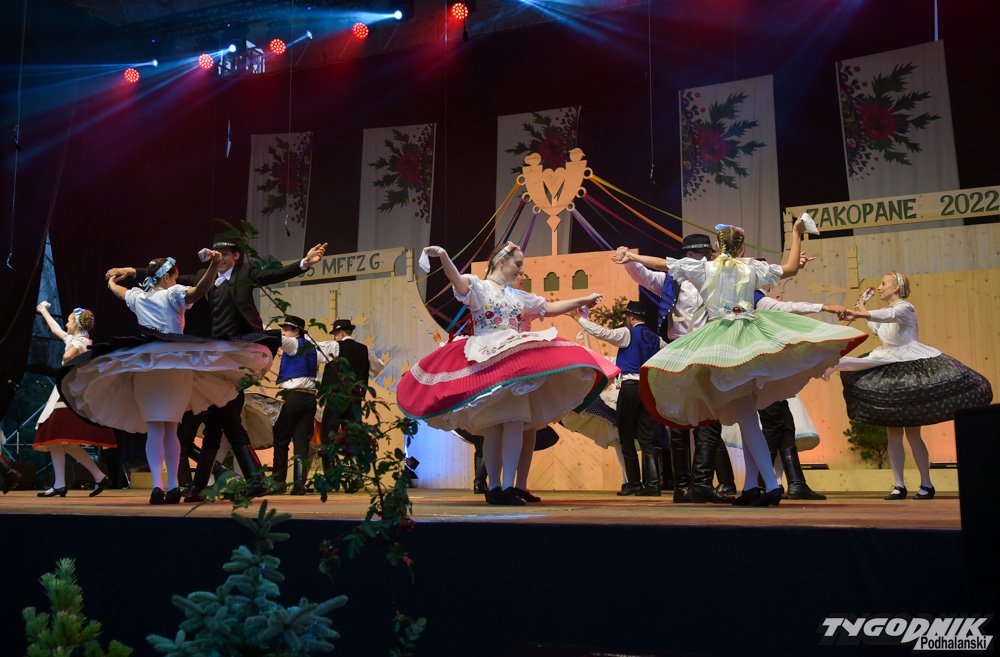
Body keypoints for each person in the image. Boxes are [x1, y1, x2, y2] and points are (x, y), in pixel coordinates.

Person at [614, 220, 867, 507]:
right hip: (750, 340)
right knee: (747, 418)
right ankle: (751, 487)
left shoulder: (706, 269)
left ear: (717, 247)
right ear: (742, 248)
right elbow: (791, 268)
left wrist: (631, 256)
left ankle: (769, 485)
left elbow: (663, 264)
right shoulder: (751, 267)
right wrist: (796, 234)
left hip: (723, 345)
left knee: (746, 417)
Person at [105, 236, 328, 502]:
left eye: (225, 254)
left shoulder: (245, 273)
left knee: (223, 418)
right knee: (218, 420)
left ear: (236, 256)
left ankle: (236, 481)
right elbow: (166, 277)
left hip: (237, 352)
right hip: (217, 356)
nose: (219, 258)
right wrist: (132, 271)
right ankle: (212, 485)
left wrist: (304, 263)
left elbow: (272, 275)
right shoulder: (203, 275)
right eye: (217, 254)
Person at [397, 241, 617, 505]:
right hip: (487, 359)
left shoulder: (518, 296)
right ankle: (496, 487)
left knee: (514, 421)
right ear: (502, 261)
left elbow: (548, 307)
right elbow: (458, 282)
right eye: (518, 264)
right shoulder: (479, 288)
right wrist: (444, 256)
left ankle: (509, 486)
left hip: (513, 361)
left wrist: (583, 299)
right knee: (494, 426)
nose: (521, 270)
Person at [66, 251, 272, 504]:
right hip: (175, 364)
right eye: (174, 276)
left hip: (146, 366)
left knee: (155, 430)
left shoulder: (138, 297)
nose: (176, 280)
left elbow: (119, 291)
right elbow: (200, 290)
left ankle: (157, 486)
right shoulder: (173, 295)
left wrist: (111, 281)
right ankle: (173, 486)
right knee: (171, 429)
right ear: (166, 278)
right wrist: (213, 265)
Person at [835, 272, 992, 500]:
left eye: (883, 284)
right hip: (890, 365)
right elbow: (879, 328)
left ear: (895, 288)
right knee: (892, 432)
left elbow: (890, 316)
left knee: (913, 433)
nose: (880, 287)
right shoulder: (887, 311)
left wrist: (860, 312)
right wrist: (863, 311)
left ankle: (926, 483)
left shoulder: (905, 308)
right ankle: (899, 485)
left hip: (909, 369)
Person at [620, 233, 733, 503]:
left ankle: (700, 483)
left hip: (705, 349)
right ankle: (683, 487)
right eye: (697, 254)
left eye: (704, 254)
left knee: (708, 418)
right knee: (679, 418)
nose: (700, 259)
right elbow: (644, 276)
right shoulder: (672, 280)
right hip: (678, 349)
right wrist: (628, 258)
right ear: (688, 255)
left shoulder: (714, 278)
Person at [752, 286, 849, 500]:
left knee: (785, 425)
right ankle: (761, 484)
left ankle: (795, 482)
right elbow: (789, 308)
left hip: (767, 371)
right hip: (765, 372)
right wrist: (825, 306)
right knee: (773, 427)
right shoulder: (756, 298)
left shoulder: (755, 298)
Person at [577, 301, 662, 495]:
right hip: (649, 388)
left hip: (631, 387)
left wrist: (580, 319)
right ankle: (653, 485)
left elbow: (603, 333)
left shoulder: (627, 333)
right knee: (646, 437)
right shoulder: (657, 339)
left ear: (631, 317)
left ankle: (634, 483)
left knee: (625, 434)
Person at [34, 303, 116, 497]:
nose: (66, 324)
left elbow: (68, 356)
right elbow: (56, 329)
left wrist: (67, 357)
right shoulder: (76, 339)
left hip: (66, 393)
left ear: (77, 325)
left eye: (69, 321)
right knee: (61, 441)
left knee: (55, 436)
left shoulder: (79, 342)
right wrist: (44, 311)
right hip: (64, 392)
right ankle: (96, 477)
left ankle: (62, 484)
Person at [317, 318, 386, 453]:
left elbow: (314, 351)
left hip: (336, 395)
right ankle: (354, 463)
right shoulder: (365, 349)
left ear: (341, 333)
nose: (335, 337)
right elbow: (377, 367)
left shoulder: (334, 346)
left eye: (335, 334)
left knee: (329, 431)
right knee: (353, 433)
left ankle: (328, 462)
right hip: (355, 396)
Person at [270, 315, 318, 494]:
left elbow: (274, 336)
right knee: (301, 442)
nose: (284, 332)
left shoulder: (294, 343)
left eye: (287, 329)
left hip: (294, 396)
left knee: (281, 438)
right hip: (310, 398)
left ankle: (278, 482)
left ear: (297, 331)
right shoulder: (311, 347)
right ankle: (299, 485)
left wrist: (254, 322)